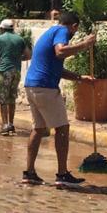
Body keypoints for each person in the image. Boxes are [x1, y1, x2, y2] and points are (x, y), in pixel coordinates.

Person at [22, 11, 96, 187]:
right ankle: (62, 174)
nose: (73, 35)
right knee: (62, 128)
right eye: (75, 32)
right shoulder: (62, 32)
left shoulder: (49, 33)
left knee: (38, 128)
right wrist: (85, 44)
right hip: (45, 87)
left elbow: (56, 69)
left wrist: (80, 77)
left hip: (32, 85)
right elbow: (60, 52)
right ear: (74, 26)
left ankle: (29, 173)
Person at [0, 19, 31, 136]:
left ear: (2, 29)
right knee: (11, 98)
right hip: (16, 72)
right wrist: (18, 59)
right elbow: (28, 55)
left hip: (4, 70)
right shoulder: (20, 39)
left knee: (3, 99)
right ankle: (11, 124)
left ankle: (4, 125)